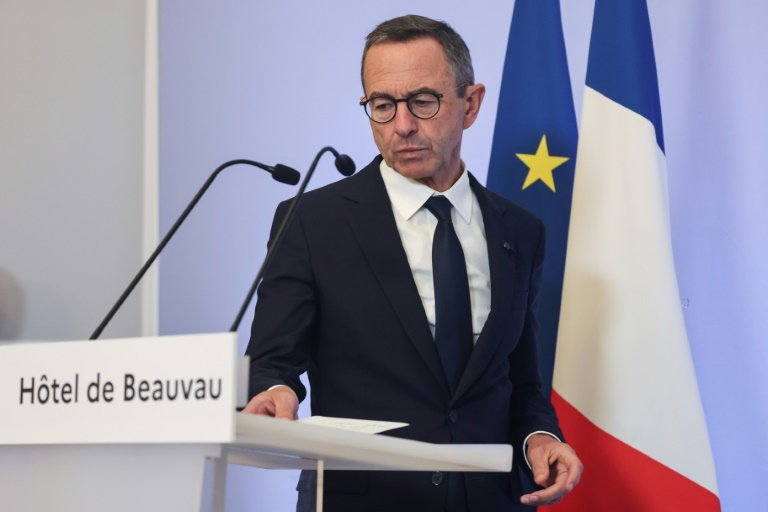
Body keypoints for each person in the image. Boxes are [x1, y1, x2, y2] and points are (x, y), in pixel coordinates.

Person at [243, 14, 582, 511]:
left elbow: (522, 379)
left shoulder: (520, 232)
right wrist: (275, 392)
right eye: (382, 105)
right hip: (362, 501)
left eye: (423, 101)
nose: (402, 125)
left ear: (471, 104)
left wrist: (539, 436)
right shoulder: (312, 223)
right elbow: (273, 361)